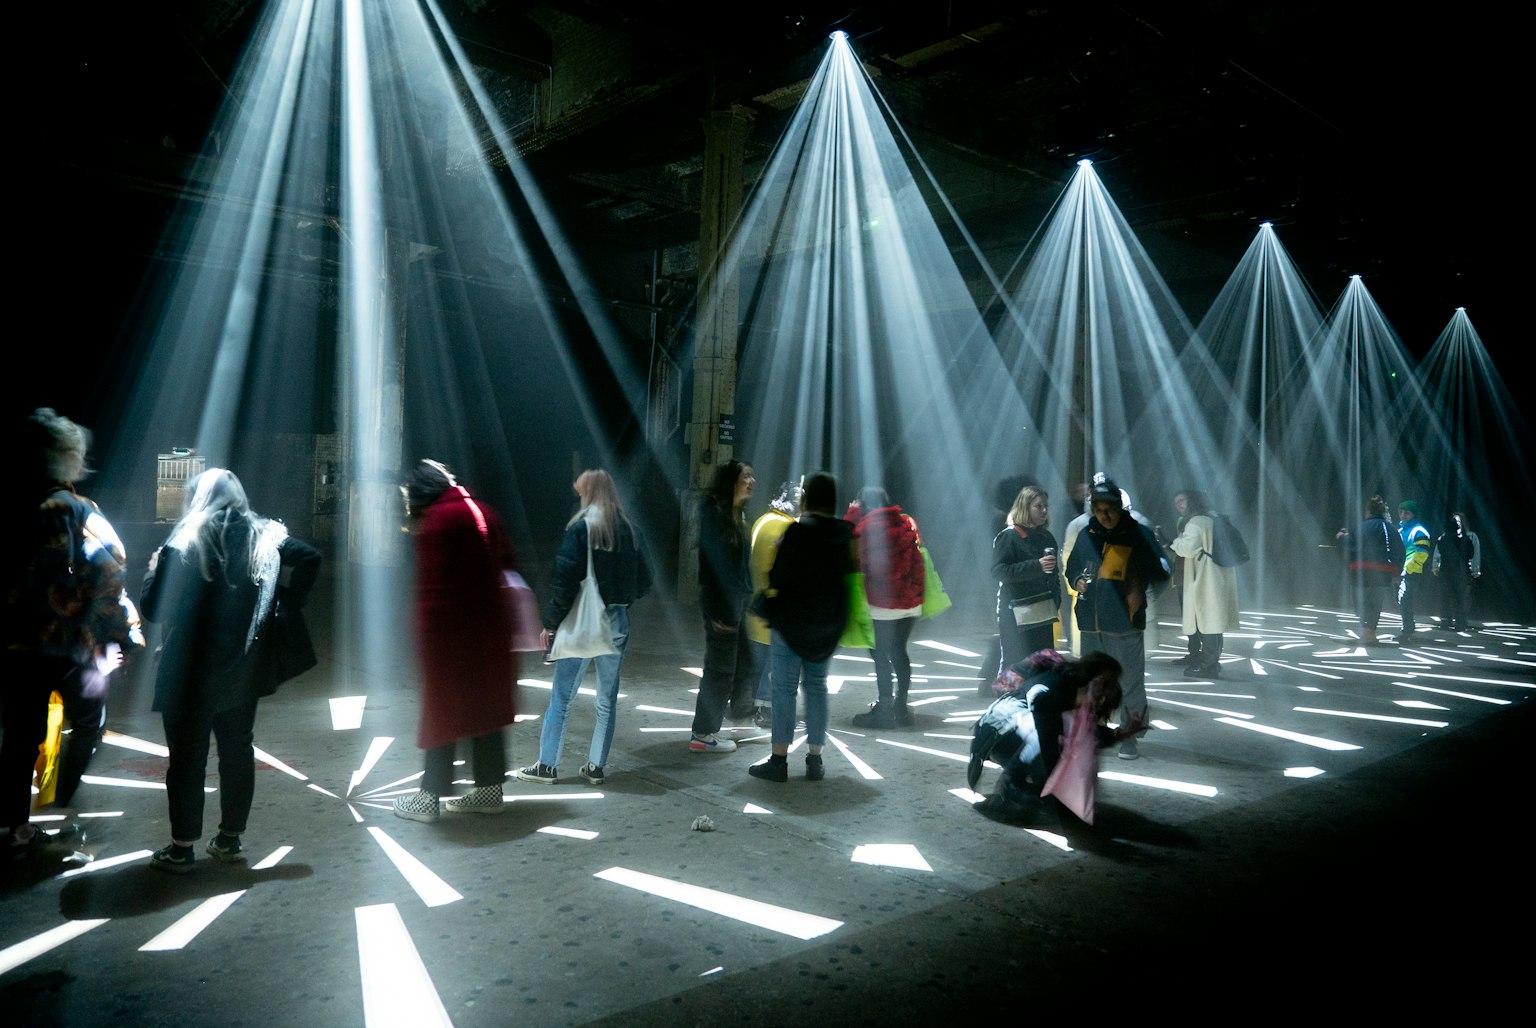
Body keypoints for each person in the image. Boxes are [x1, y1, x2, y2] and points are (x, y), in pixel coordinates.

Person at [140, 468, 320, 870]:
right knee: (238, 751)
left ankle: (182, 847)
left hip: (190, 672)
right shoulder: (264, 534)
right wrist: (285, 600)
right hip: (242, 668)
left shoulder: (186, 538)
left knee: (187, 758)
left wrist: (153, 570)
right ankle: (229, 839)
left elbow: (154, 610)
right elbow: (310, 557)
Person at [3, 409, 142, 852]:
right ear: (68, 459)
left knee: (20, 735)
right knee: (89, 720)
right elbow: (109, 571)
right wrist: (124, 634)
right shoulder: (77, 510)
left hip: (17, 645)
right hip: (69, 645)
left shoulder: (16, 506)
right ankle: (61, 799)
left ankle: (17, 827)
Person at [393, 460, 517, 822]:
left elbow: (434, 591)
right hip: (490, 636)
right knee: (486, 712)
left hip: (452, 642)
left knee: (441, 714)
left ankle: (429, 798)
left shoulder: (439, 521)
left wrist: (419, 633)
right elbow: (508, 566)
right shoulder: (485, 513)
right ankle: (489, 791)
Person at [517, 469, 650, 786]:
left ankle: (547, 766)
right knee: (607, 699)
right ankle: (596, 767)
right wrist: (622, 601)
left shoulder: (581, 529)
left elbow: (564, 583)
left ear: (588, 494)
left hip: (582, 622)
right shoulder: (631, 531)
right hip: (616, 620)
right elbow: (645, 580)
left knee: (562, 698)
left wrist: (550, 623)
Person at [748, 472, 853, 783]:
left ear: (807, 497)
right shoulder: (844, 534)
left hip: (791, 625)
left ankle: (779, 761)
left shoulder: (796, 532)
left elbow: (778, 577)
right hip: (826, 627)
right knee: (817, 690)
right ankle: (815, 760)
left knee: (784, 690)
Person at [1067, 476, 1169, 759]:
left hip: (1124, 626)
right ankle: (1090, 734)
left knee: (1130, 683)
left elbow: (1162, 572)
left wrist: (1140, 596)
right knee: (1090, 684)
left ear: (1120, 507)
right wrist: (1076, 580)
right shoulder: (1087, 534)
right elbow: (1072, 567)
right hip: (1090, 624)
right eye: (1099, 509)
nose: (1105, 515)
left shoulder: (1138, 535)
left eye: (1110, 508)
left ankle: (1130, 737)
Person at [970, 651, 1142, 819]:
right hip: (1000, 740)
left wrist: (1120, 734)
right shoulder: (1054, 689)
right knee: (1050, 742)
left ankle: (1028, 788)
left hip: (1013, 737)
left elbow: (1085, 734)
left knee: (1065, 742)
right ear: (1096, 677)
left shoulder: (1077, 690)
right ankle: (1008, 791)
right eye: (1106, 683)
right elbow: (1043, 739)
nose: (1104, 692)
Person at [689, 459, 757, 753]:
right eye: (746, 477)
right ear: (731, 482)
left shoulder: (735, 515)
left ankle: (741, 718)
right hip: (722, 605)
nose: (751, 481)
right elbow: (716, 569)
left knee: (745, 662)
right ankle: (702, 734)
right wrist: (724, 612)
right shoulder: (716, 516)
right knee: (720, 669)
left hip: (735, 602)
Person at [847, 486, 924, 729]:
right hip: (910, 601)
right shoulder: (903, 523)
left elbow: (850, 547)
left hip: (883, 603)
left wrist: (852, 513)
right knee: (899, 651)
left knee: (879, 653)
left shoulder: (867, 527)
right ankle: (901, 706)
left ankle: (884, 708)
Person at [991, 484, 1060, 677]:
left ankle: (1039, 703)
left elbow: (1055, 574)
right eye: (1038, 506)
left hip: (1042, 611)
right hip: (1015, 612)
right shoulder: (1009, 537)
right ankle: (1009, 703)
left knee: (1045, 663)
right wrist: (1036, 566)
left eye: (1046, 506)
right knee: (1016, 665)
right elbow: (998, 571)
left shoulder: (1047, 537)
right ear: (1025, 507)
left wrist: (1056, 599)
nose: (1044, 510)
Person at [1169, 490, 1240, 678]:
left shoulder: (1197, 522)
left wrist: (1174, 542)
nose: (1179, 505)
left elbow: (1186, 548)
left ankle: (1208, 665)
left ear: (1192, 502)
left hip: (1205, 579)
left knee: (1207, 621)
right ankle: (1212, 663)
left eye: (1182, 501)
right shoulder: (1217, 518)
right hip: (1220, 576)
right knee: (1214, 622)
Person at [745, 481, 798, 729]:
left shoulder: (761, 521)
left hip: (755, 606)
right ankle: (766, 709)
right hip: (779, 608)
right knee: (775, 664)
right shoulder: (790, 527)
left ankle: (750, 704)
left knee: (757, 664)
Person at [1336, 496, 1404, 645]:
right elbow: (1400, 550)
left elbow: (1351, 545)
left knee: (1359, 600)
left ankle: (1367, 630)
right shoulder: (1392, 529)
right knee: (1375, 601)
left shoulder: (1361, 526)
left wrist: (1341, 538)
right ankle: (1370, 631)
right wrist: (1397, 571)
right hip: (1385, 570)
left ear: (1368, 511)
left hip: (1362, 568)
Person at [1433, 511, 1481, 632]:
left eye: (1459, 521)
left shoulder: (1470, 537)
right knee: (1448, 597)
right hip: (1451, 572)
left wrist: (1475, 570)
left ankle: (1459, 621)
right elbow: (1438, 554)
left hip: (1461, 572)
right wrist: (1436, 567)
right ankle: (1447, 620)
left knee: (1461, 598)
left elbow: (1475, 555)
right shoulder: (1445, 537)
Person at [1396, 500, 1431, 637]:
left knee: (1405, 601)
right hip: (1401, 573)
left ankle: (1407, 631)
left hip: (1411, 573)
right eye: (1401, 512)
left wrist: (1408, 569)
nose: (1403, 515)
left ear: (1413, 514)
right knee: (1402, 601)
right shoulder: (1400, 530)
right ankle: (1408, 629)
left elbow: (1422, 553)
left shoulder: (1419, 530)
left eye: (1407, 512)